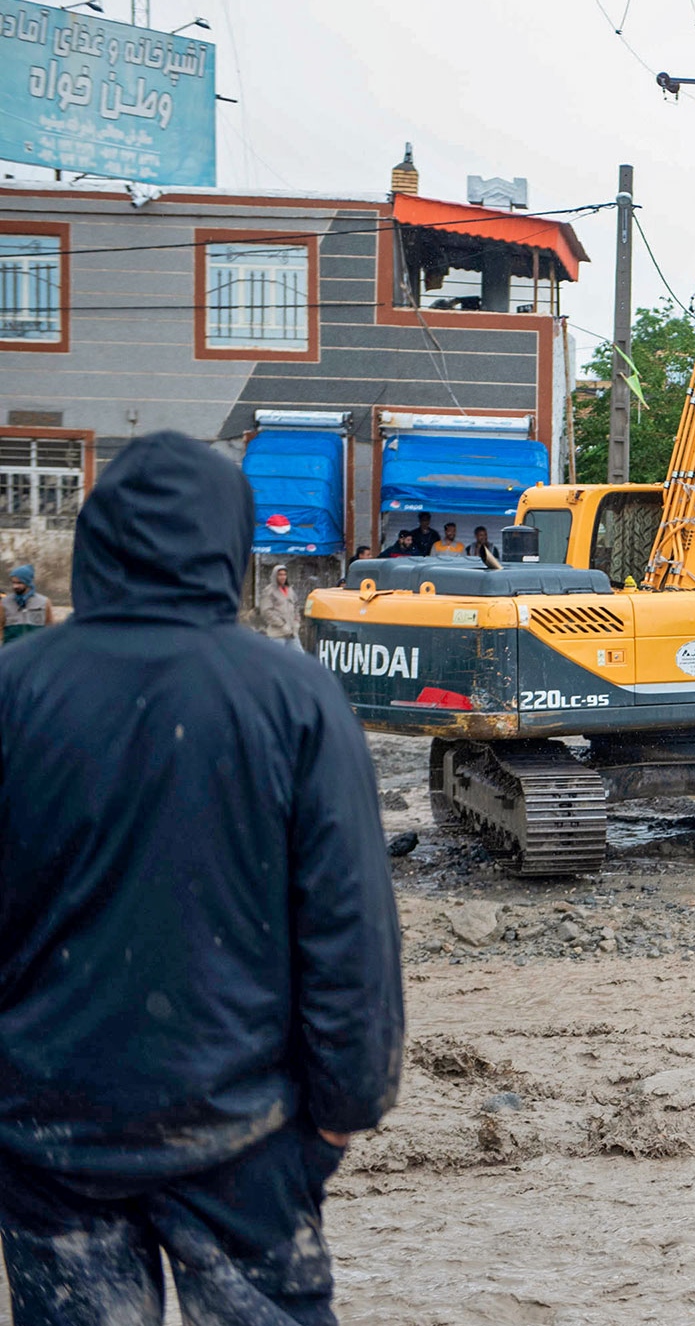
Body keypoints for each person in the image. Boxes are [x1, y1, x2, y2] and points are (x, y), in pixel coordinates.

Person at [0, 431, 403, 1325]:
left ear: (96, 541)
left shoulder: (15, 691)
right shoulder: (293, 696)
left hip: (48, 1129)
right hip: (241, 1128)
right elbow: (348, 926)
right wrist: (346, 1107)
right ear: (231, 543)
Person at [3, 565, 52, 643]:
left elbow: (50, 628)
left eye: (19, 583)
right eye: (13, 582)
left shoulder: (44, 602)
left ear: (28, 582)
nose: (15, 586)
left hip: (35, 650)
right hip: (12, 650)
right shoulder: (5, 603)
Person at [257, 564, 303, 648]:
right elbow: (266, 611)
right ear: (275, 576)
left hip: (292, 633)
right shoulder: (269, 591)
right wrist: (281, 624)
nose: (283, 577)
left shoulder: (290, 590)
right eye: (280, 575)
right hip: (277, 634)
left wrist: (297, 621)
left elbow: (296, 606)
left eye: (284, 574)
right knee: (276, 659)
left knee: (299, 657)